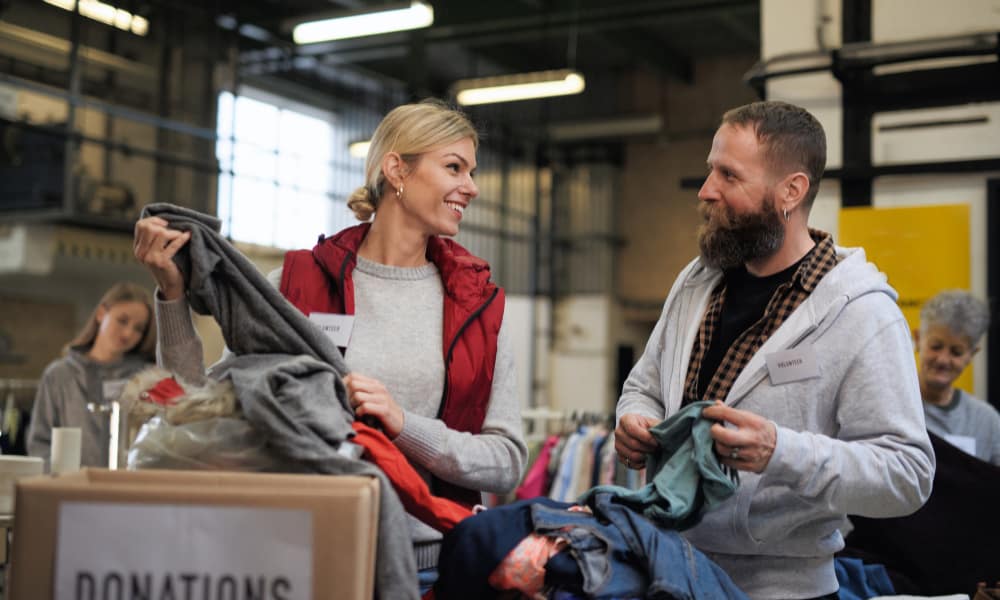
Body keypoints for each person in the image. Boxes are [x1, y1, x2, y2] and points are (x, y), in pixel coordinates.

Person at [132, 99, 527, 591]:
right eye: (454, 167)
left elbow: (507, 459)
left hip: (432, 571)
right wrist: (172, 295)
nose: (472, 187)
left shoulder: (478, 306)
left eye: (471, 171)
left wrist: (405, 426)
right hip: (302, 554)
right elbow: (205, 407)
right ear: (396, 169)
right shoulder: (297, 283)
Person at [614, 100, 934, 599]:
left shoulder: (862, 314)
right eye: (709, 171)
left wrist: (781, 452)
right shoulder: (697, 283)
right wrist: (636, 418)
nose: (705, 191)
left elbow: (908, 475)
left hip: (785, 590)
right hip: (670, 571)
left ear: (791, 190)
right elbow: (645, 385)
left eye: (728, 176)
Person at [27, 282, 156, 469]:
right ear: (101, 313)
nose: (128, 333)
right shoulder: (59, 375)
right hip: (69, 489)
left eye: (138, 329)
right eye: (122, 320)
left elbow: (155, 444)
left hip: (126, 489)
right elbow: (40, 442)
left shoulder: (146, 379)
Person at [915, 289, 1000, 465]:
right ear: (917, 339)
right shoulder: (893, 407)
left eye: (956, 352)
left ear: (972, 355)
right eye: (936, 346)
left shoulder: (986, 422)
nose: (943, 360)